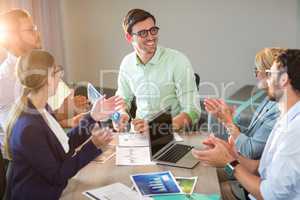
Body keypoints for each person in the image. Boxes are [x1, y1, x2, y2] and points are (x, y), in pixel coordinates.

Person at [3, 50, 124, 200]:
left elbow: (63, 146)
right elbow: (57, 175)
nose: (60, 75)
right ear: (46, 78)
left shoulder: (41, 108)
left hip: (55, 188)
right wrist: (93, 145)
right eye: (57, 71)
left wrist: (93, 116)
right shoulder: (28, 128)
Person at [193, 49, 300, 200]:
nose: (267, 78)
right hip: (254, 187)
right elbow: (259, 168)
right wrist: (231, 153)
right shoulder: (286, 117)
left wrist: (230, 162)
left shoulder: (294, 131)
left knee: (205, 190)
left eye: (271, 73)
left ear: (283, 79)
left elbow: (269, 195)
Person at [0, 9, 88, 134]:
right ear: (13, 38)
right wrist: (62, 113)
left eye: (35, 28)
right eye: (30, 30)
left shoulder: (39, 66)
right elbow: (23, 132)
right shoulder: (4, 80)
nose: (37, 34)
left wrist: (68, 111)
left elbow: (49, 116)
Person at [115, 9, 200, 133]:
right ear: (129, 37)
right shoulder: (127, 63)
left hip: (171, 134)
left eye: (153, 30)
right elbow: (123, 99)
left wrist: (159, 129)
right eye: (143, 33)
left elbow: (193, 111)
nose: (151, 37)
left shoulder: (178, 61)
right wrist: (121, 113)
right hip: (139, 135)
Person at [204, 48, 284, 159]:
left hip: (251, 169)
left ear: (270, 73)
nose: (256, 75)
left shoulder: (280, 109)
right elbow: (250, 135)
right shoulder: (269, 99)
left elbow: (250, 151)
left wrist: (228, 122)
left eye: (257, 70)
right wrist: (230, 121)